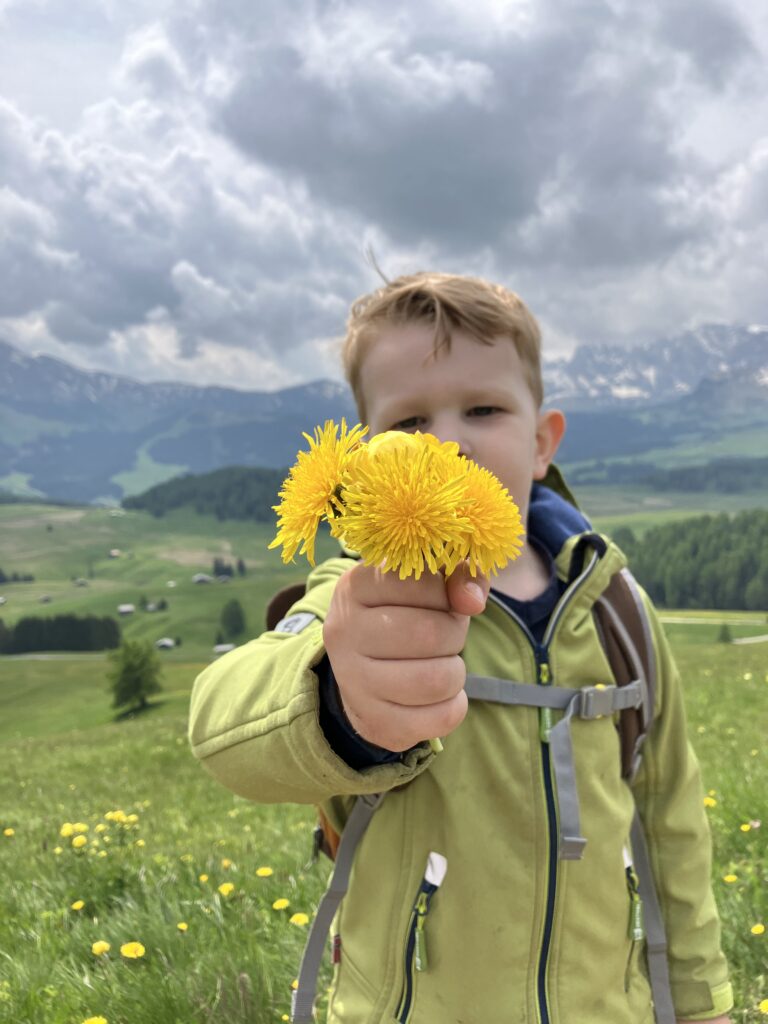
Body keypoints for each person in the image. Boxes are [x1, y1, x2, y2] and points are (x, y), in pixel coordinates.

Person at [188, 273, 733, 1023]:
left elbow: (670, 821)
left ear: (543, 442)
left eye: (483, 408)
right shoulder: (360, 598)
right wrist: (337, 698)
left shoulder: (618, 608)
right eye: (409, 424)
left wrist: (701, 1005)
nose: (445, 444)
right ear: (362, 456)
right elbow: (223, 720)